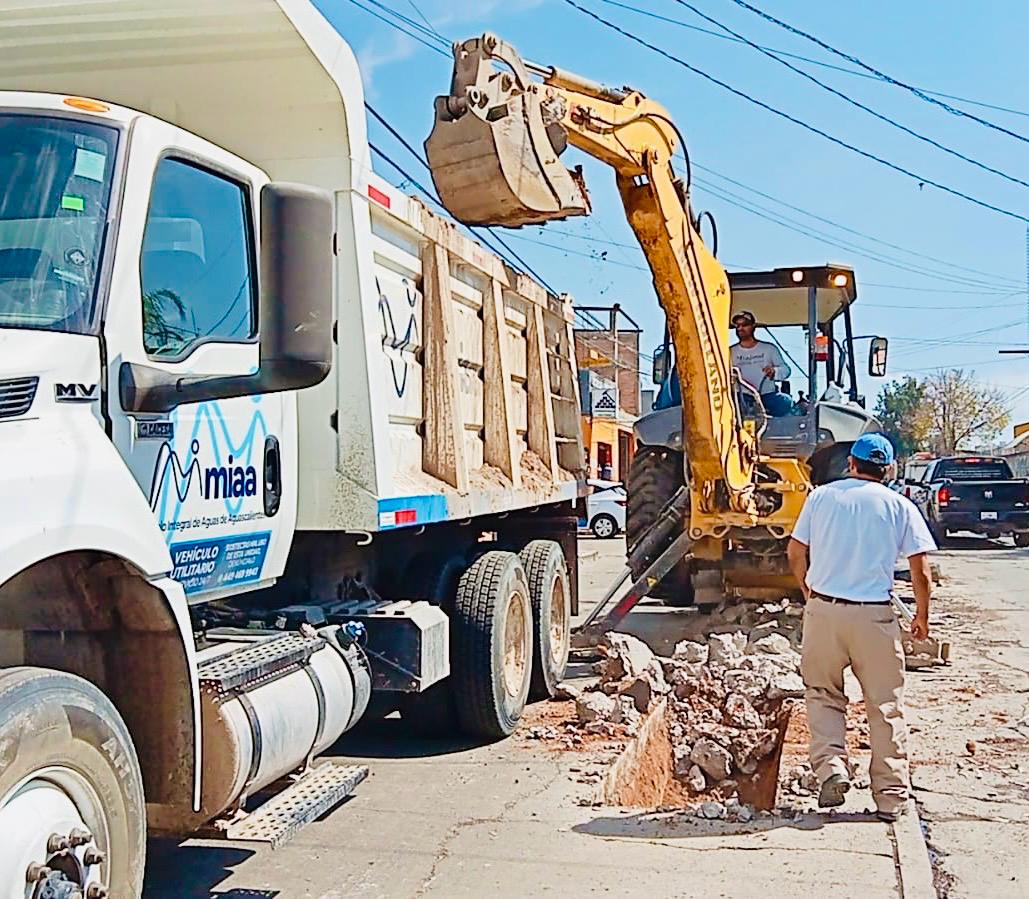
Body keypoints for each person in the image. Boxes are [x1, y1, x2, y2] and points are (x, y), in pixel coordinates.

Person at [786, 433, 935, 822]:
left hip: (824, 611)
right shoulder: (899, 506)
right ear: (886, 470)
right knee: (884, 706)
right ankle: (889, 797)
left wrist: (807, 590)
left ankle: (832, 768)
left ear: (850, 464)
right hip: (874, 616)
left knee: (822, 694)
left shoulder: (820, 497)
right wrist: (921, 616)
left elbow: (795, 551)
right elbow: (921, 572)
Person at [730, 310, 792, 417]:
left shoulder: (769, 348)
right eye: (737, 325)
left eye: (744, 325)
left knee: (786, 402)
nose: (740, 328)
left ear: (753, 326)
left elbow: (786, 370)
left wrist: (774, 372)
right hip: (741, 397)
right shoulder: (730, 351)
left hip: (767, 396)